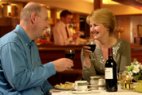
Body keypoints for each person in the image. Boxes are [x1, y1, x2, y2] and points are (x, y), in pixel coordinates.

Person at [0, 2, 73, 95]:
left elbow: (38, 78)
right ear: (34, 18)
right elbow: (19, 82)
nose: (47, 25)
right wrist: (53, 66)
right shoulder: (12, 43)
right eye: (46, 19)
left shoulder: (32, 43)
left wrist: (53, 91)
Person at [81, 8, 131, 81]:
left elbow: (124, 75)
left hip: (117, 89)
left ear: (107, 27)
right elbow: (88, 79)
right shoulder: (87, 49)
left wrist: (102, 80)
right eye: (90, 26)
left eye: (95, 25)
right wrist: (86, 59)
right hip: (96, 90)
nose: (91, 29)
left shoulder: (123, 45)